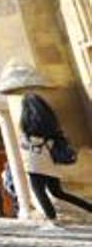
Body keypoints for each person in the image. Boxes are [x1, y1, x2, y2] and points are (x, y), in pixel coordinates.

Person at [19, 92, 92, 229]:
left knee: (40, 192)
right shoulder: (50, 129)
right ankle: (90, 207)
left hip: (35, 167)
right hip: (50, 167)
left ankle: (52, 220)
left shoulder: (28, 129)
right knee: (58, 193)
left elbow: (24, 145)